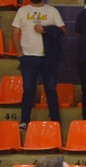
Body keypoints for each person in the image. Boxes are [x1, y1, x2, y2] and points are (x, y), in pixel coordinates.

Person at [12, 0, 66, 130]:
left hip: (49, 58)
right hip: (28, 58)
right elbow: (15, 33)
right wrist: (19, 53)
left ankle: (55, 121)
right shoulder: (22, 10)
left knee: (51, 89)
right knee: (28, 89)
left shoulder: (52, 11)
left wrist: (45, 29)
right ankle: (24, 121)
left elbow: (63, 31)